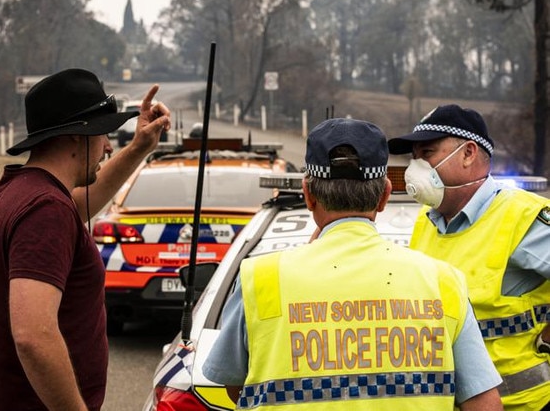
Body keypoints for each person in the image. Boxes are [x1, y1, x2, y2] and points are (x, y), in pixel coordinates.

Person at [203, 117, 503, 410]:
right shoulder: (443, 282)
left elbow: (236, 386)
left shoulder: (260, 278)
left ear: (308, 194)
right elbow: (483, 402)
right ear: (384, 195)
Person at [0, 68, 171, 410]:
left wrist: (139, 149)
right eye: (103, 134)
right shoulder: (45, 211)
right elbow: (33, 336)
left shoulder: (22, 190)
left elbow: (76, 206)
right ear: (78, 137)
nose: (108, 146)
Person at [388, 104, 550, 411]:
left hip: (523, 404)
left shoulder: (521, 216)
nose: (416, 167)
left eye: (427, 153)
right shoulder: (426, 221)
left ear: (468, 153)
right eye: (414, 157)